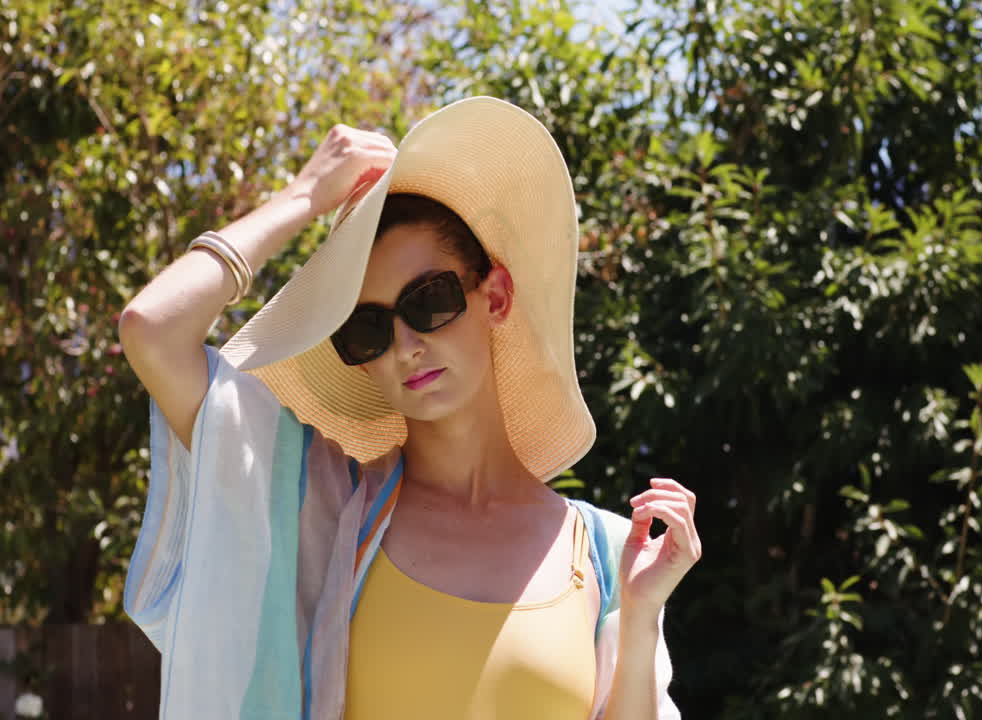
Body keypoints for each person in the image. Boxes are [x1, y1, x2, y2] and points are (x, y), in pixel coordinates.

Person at [117, 97, 701, 719]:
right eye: (367, 328)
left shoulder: (609, 557)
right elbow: (152, 330)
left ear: (496, 295)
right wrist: (305, 196)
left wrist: (640, 621)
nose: (405, 345)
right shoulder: (326, 512)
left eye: (429, 299)